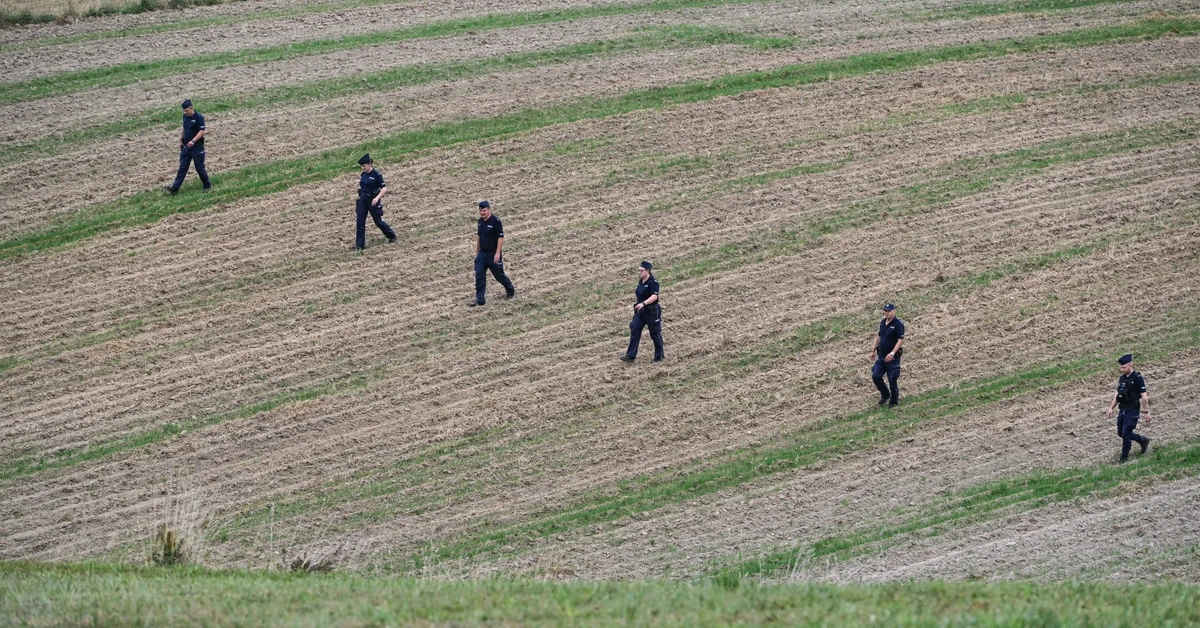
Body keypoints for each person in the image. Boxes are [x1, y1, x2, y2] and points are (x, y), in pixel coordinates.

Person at [469, 200, 514, 306]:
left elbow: (500, 237)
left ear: (489, 210)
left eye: (484, 210)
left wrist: (497, 253)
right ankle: (480, 299)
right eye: (480, 211)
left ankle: (510, 289)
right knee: (479, 275)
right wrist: (477, 253)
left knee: (499, 276)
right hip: (482, 254)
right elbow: (479, 237)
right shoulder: (480, 222)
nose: (482, 213)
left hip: (493, 254)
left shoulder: (496, 222)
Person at [1108, 354, 1151, 463]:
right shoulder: (1122, 378)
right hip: (1123, 409)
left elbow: (1144, 396)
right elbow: (1118, 394)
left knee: (1126, 432)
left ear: (1131, 366)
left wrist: (1146, 412)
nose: (1121, 369)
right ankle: (1143, 440)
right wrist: (1111, 408)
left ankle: (1124, 458)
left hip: (1132, 409)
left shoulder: (1137, 378)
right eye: (1121, 367)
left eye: (1124, 367)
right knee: (1121, 433)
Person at [620, 261, 664, 363]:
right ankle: (630, 355)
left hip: (651, 311)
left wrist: (644, 303)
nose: (639, 272)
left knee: (655, 333)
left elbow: (654, 296)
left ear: (647, 271)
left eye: (641, 270)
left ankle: (659, 356)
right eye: (639, 270)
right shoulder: (641, 281)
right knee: (634, 328)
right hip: (641, 312)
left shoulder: (653, 282)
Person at [166, 99, 211, 194]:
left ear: (191, 108)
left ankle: (207, 185)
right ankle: (175, 188)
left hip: (197, 147)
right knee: (182, 167)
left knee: (199, 168)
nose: (185, 112)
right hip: (186, 147)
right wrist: (181, 140)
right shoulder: (185, 117)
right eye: (184, 111)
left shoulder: (199, 118)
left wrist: (193, 140)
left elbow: (202, 131)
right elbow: (184, 129)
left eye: (186, 110)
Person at [354, 154, 397, 250]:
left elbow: (384, 188)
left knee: (378, 221)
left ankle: (391, 235)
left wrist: (376, 198)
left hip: (372, 200)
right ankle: (360, 245)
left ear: (370, 164)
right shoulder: (363, 174)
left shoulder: (376, 175)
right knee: (360, 223)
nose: (362, 168)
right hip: (363, 200)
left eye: (364, 166)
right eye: (362, 166)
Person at [871, 303, 905, 407]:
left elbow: (900, 340)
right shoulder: (882, 323)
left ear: (894, 311)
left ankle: (894, 401)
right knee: (876, 375)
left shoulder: (898, 324)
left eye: (889, 311)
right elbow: (879, 336)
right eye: (885, 311)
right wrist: (873, 350)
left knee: (892, 379)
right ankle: (885, 394)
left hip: (892, 358)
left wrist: (892, 353)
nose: (886, 313)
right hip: (882, 356)